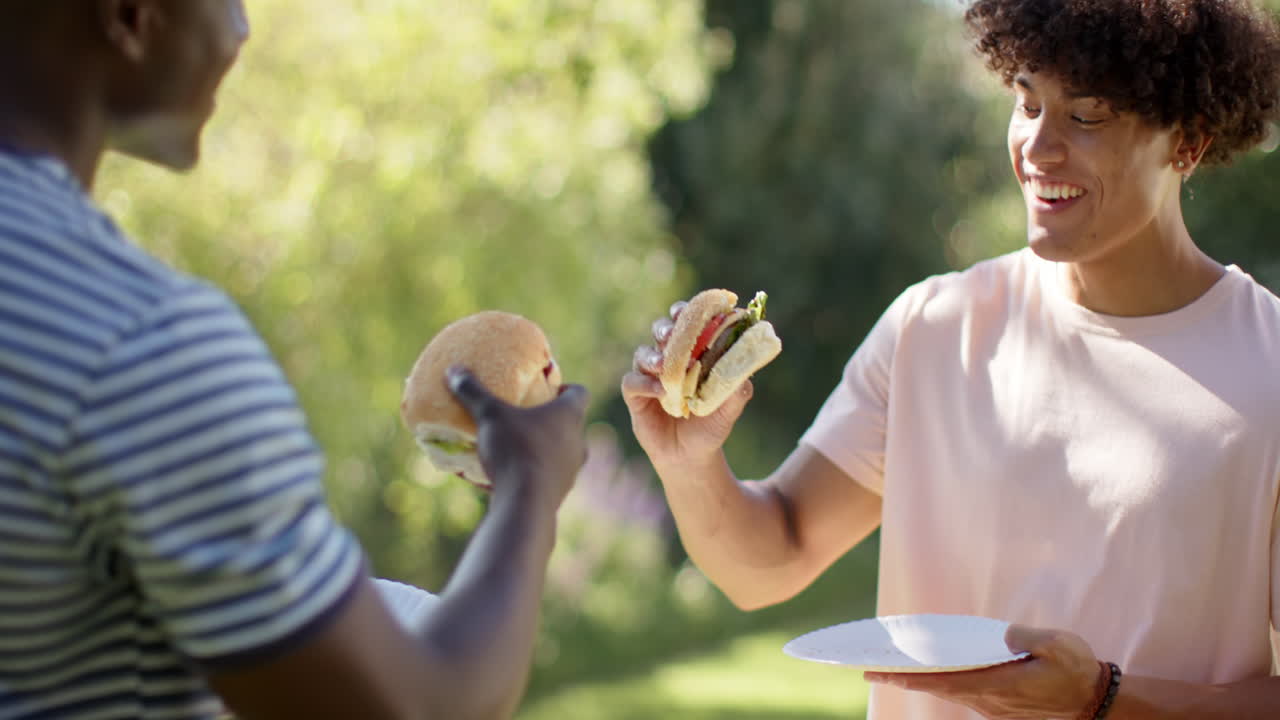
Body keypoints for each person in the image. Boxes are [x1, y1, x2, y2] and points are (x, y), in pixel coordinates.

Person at [622, 0, 1280, 717]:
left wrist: (1103, 700)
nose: (1038, 146)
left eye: (1085, 117)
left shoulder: (1268, 367)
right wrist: (688, 462)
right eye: (1027, 103)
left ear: (1187, 141)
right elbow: (768, 560)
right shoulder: (933, 328)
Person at [0, 2, 589, 719]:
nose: (244, 29)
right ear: (130, 14)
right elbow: (418, 707)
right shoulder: (140, 338)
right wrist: (532, 486)